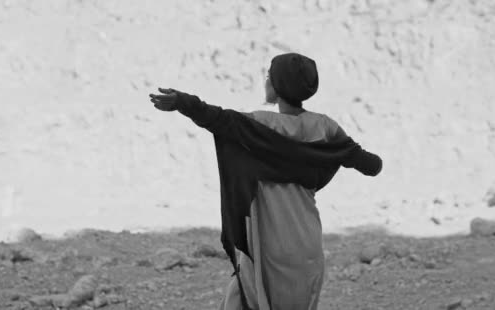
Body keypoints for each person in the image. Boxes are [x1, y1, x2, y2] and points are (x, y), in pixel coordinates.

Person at [150, 52, 382, 310]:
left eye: (269, 76)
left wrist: (182, 102)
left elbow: (215, 117)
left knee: (242, 301)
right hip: (306, 246)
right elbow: (368, 163)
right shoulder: (324, 127)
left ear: (277, 86)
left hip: (267, 245)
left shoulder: (258, 124)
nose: (266, 81)